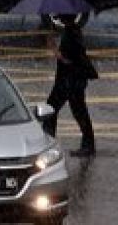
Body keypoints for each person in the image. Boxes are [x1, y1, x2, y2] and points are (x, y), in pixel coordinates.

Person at [42, 15, 98, 157]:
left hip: (69, 80)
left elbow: (68, 59)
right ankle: (88, 145)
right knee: (78, 111)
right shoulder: (72, 30)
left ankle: (48, 143)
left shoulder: (71, 33)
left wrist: (54, 50)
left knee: (51, 109)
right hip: (72, 79)